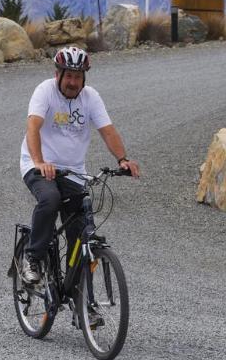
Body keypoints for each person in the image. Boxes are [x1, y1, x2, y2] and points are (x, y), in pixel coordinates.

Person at [19, 46, 140, 286]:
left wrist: (122, 159)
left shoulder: (90, 97)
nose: (73, 82)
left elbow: (108, 130)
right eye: (69, 76)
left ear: (84, 78)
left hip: (74, 173)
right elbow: (33, 127)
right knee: (50, 199)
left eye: (78, 77)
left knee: (80, 228)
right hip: (39, 166)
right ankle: (33, 258)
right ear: (58, 75)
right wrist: (39, 162)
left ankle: (77, 294)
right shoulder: (45, 91)